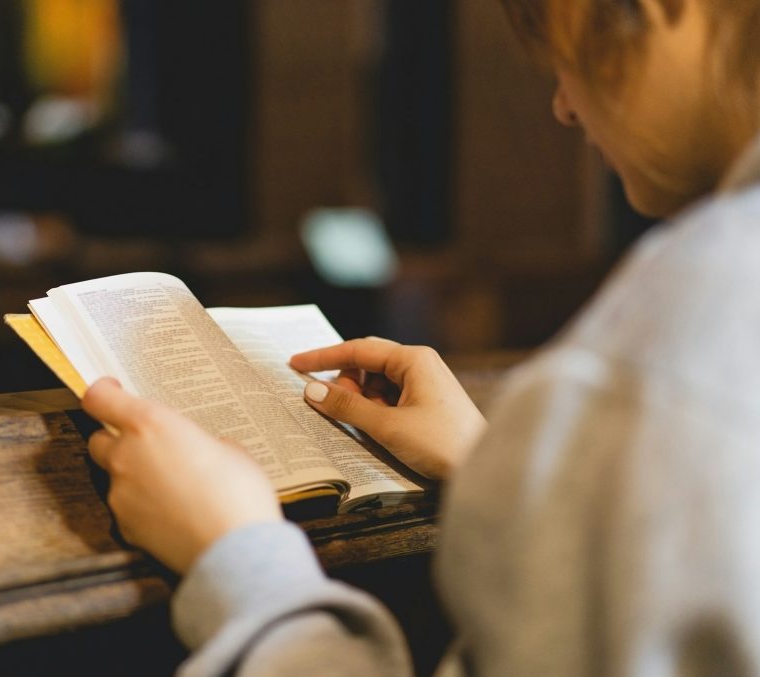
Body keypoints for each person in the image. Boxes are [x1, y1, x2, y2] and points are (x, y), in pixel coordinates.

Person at [82, 0, 760, 673]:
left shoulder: (648, 370)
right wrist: (497, 464)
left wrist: (235, 558)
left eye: (564, 47)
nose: (563, 105)